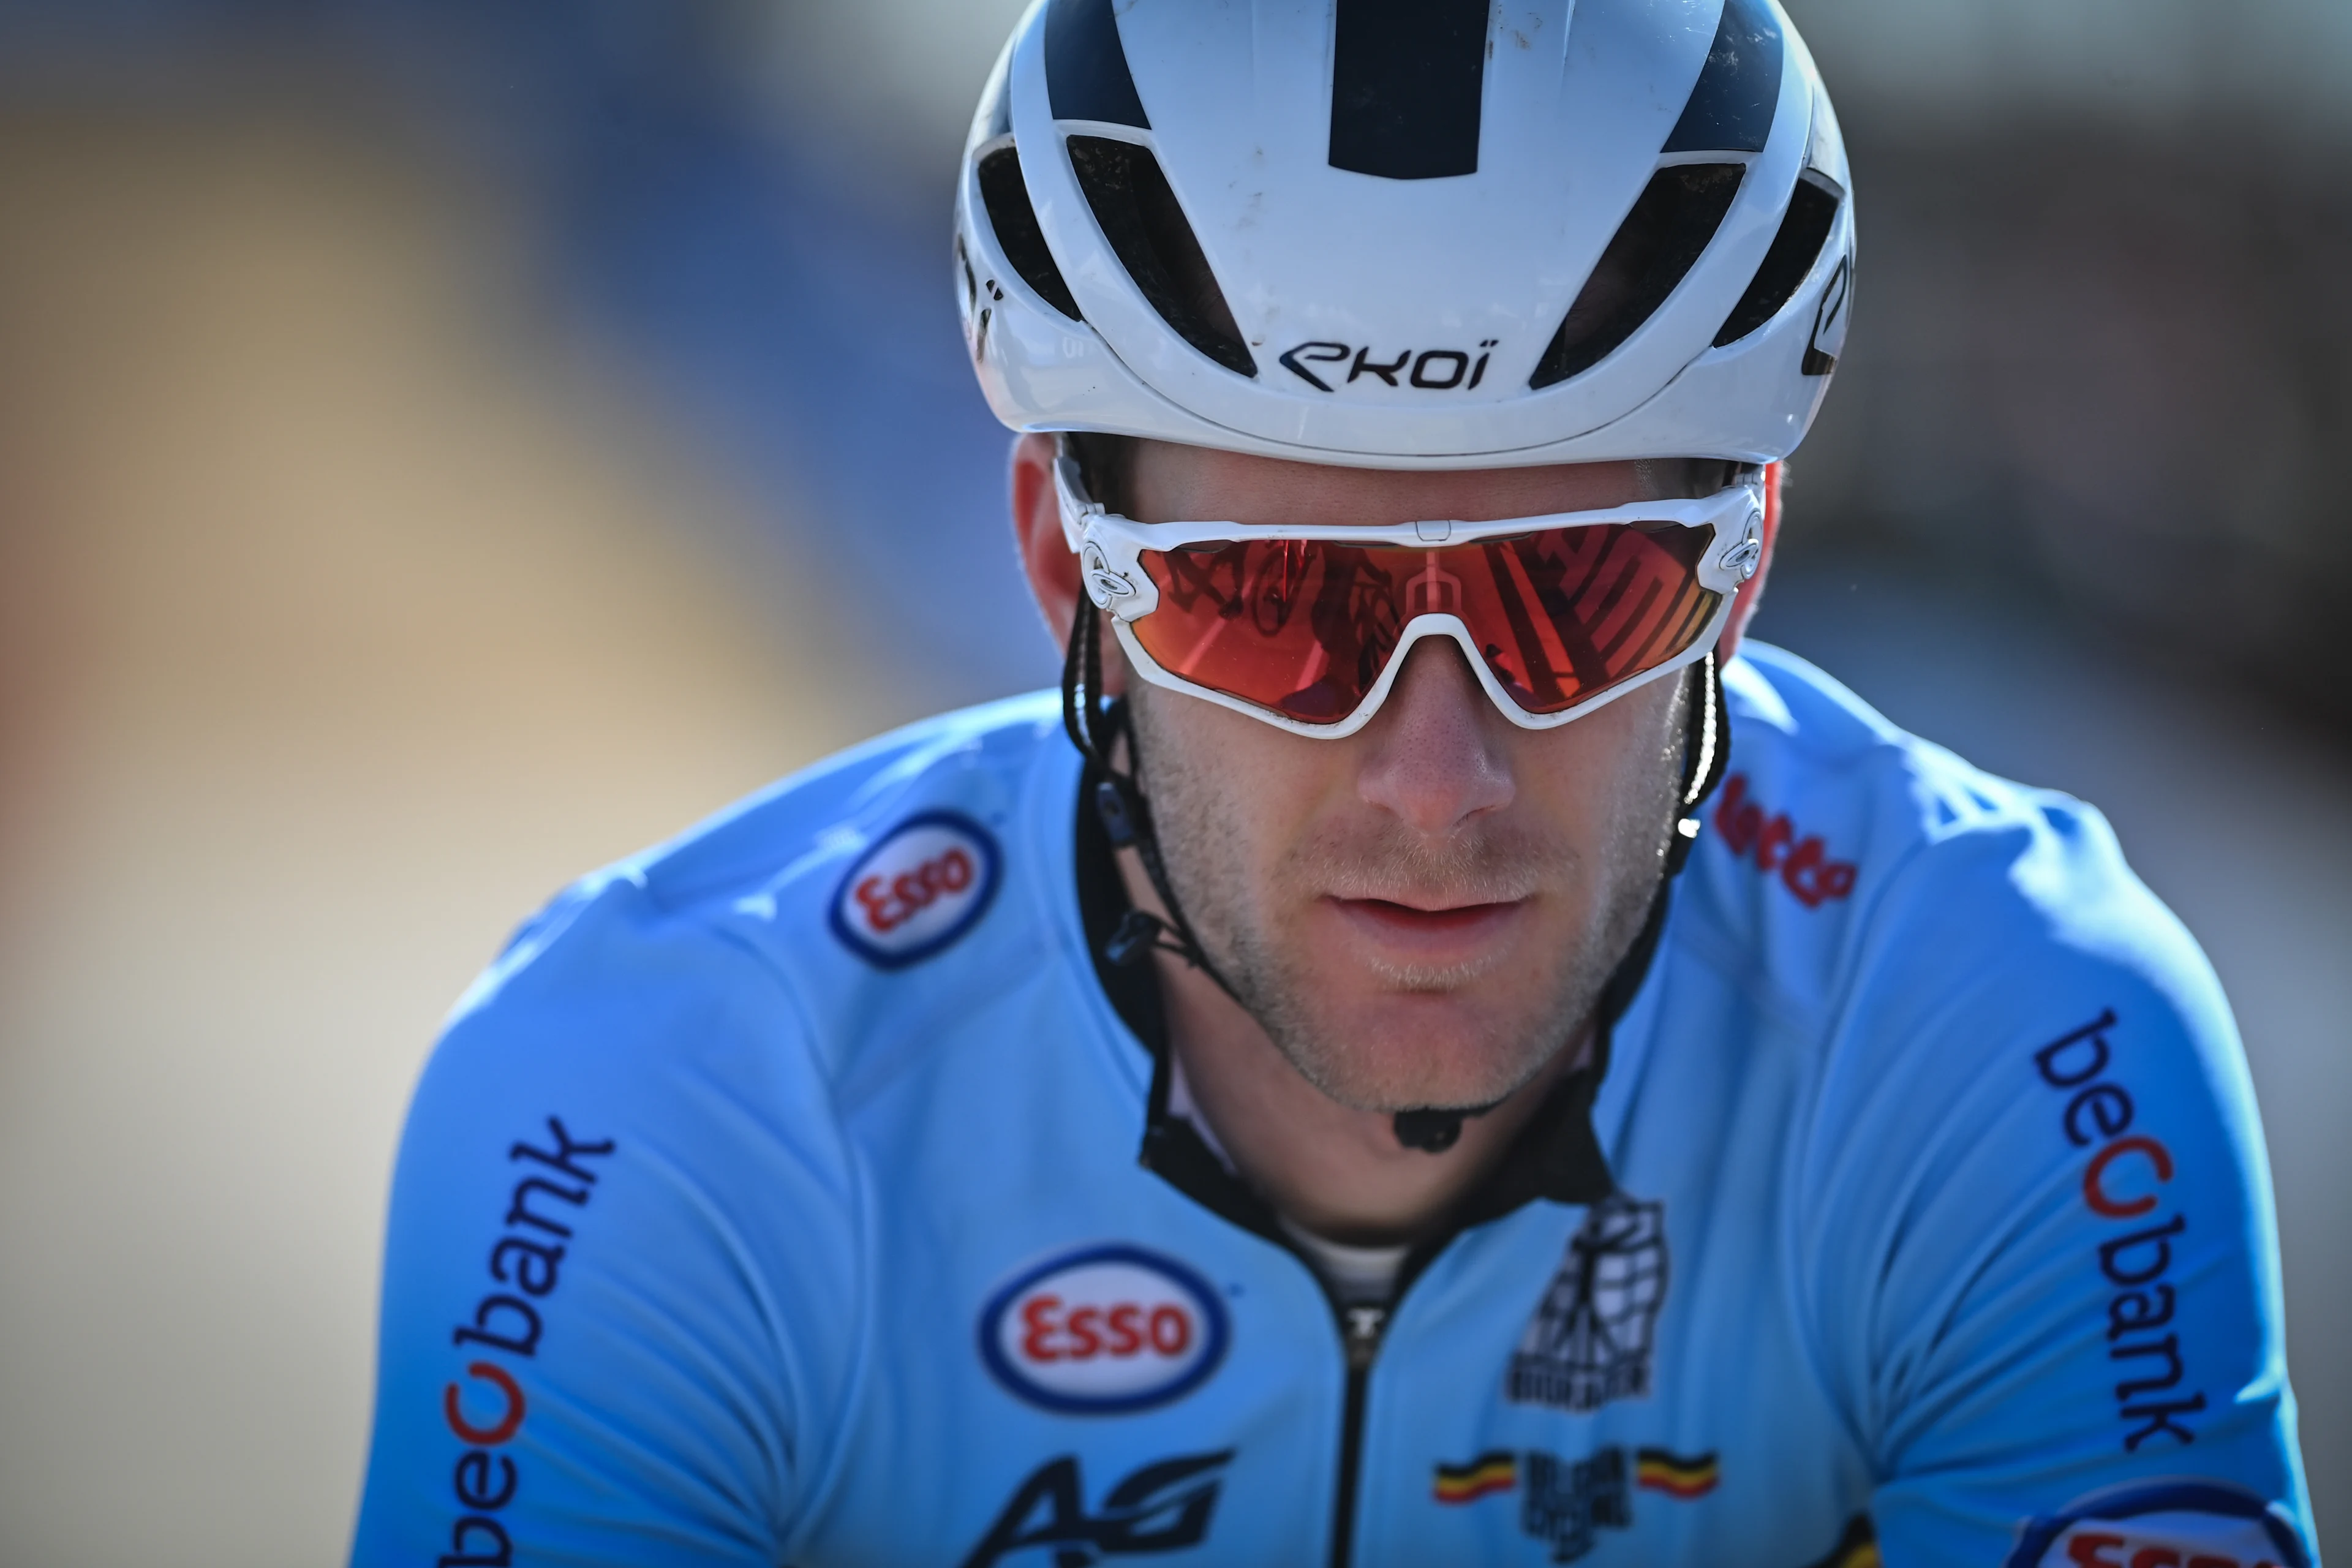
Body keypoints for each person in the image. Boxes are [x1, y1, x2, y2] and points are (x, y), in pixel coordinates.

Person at [350, 1, 2319, 1563]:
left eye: (1582, 594)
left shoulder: (2006, 1036)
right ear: (1065, 568)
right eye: (1276, 609)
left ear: (1747, 565)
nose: (1439, 778)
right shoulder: (666, 1103)